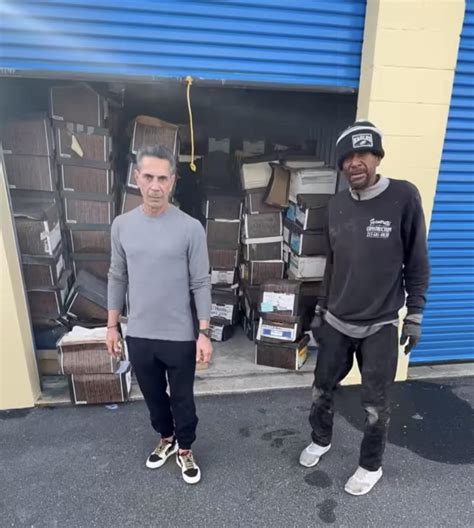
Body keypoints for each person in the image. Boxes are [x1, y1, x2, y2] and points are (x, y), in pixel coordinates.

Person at [299, 120, 430, 495]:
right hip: (338, 320)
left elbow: (417, 261)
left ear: (377, 156)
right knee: (321, 389)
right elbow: (333, 264)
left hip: (381, 323)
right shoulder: (336, 206)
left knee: (375, 405)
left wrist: (415, 314)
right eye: (346, 158)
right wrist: (321, 311)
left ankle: (370, 466)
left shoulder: (403, 197)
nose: (354, 163)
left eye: (362, 154)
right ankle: (321, 439)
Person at [106, 145, 212, 485]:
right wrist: (111, 327)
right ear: (137, 177)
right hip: (138, 334)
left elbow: (201, 281)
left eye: (162, 178)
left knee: (183, 399)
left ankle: (185, 448)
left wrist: (204, 331)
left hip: (180, 335)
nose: (155, 185)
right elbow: (116, 276)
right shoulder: (121, 226)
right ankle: (166, 439)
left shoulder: (190, 228)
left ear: (173, 181)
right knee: (153, 396)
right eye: (148, 177)